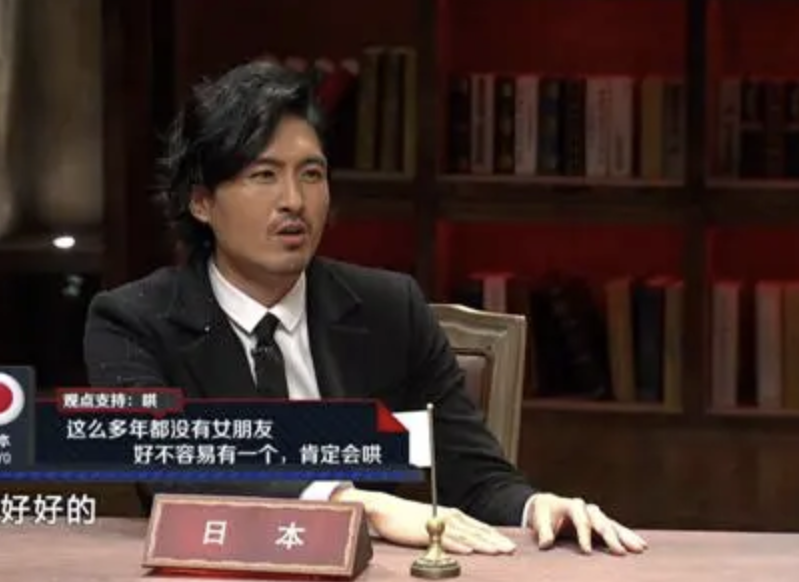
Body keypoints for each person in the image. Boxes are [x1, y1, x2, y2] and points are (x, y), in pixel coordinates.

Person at [82, 60, 647, 556]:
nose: (294, 201)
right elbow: (176, 473)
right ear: (202, 202)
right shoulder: (133, 322)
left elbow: (472, 479)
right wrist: (354, 504)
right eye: (263, 176)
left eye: (312, 174)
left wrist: (534, 508)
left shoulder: (389, 310)